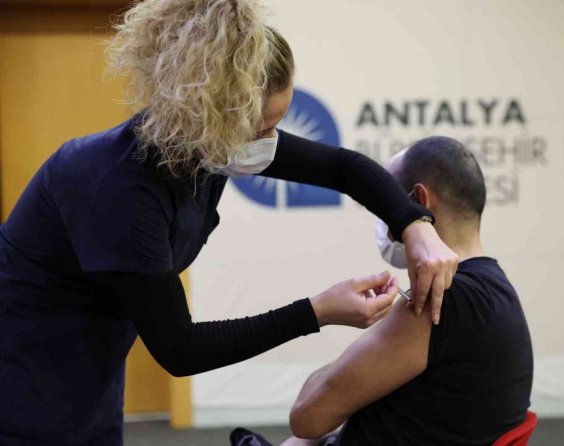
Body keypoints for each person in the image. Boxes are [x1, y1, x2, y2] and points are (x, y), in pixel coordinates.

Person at [0, 1, 458, 444]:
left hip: (93, 372)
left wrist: (416, 226)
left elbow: (344, 168)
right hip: (23, 379)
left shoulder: (206, 148)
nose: (271, 142)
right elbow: (180, 349)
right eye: (260, 131)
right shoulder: (118, 188)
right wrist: (318, 311)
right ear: (205, 116)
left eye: (275, 125)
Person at [277, 137, 534, 446]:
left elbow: (306, 416)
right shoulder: (496, 289)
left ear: (418, 200)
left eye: (386, 201)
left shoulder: (443, 296)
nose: (383, 215)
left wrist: (330, 321)